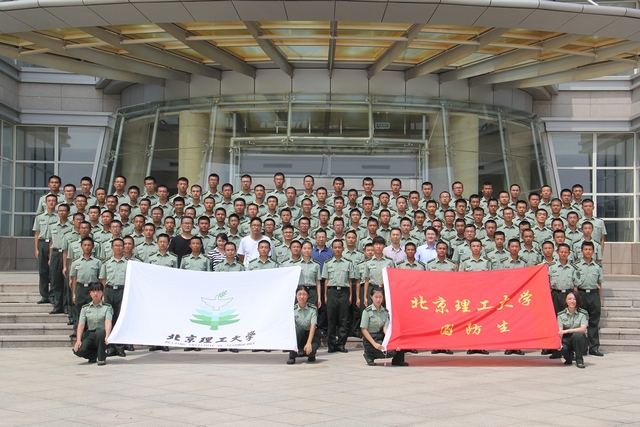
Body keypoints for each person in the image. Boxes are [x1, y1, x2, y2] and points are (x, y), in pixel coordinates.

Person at [322, 239, 356, 353]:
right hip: (331, 292)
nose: (337, 249)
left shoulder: (348, 263)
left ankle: (341, 344)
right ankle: (331, 344)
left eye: (339, 247)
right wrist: (325, 295)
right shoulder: (327, 263)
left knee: (343, 319)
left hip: (344, 292)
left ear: (343, 248)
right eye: (335, 247)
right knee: (331, 319)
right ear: (332, 249)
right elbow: (326, 281)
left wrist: (350, 295)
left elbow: (350, 280)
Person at [360, 286, 407, 366]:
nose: (378, 299)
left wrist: (394, 342)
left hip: (381, 337)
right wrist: (374, 344)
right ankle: (369, 354)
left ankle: (398, 361)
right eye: (376, 297)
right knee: (389, 351)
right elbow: (364, 330)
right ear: (371, 297)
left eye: (380, 297)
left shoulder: (385, 312)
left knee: (398, 346)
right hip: (370, 339)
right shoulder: (367, 311)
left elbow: (385, 329)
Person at [575, 241, 604, 357]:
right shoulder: (576, 265)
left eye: (590, 250)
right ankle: (582, 348)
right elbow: (575, 284)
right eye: (585, 249)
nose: (588, 252)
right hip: (581, 294)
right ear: (581, 251)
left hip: (593, 294)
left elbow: (600, 283)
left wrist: (600, 298)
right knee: (581, 322)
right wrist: (576, 298)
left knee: (594, 322)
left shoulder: (598, 266)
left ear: (593, 251)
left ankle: (594, 347)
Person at [73, 283, 113, 366]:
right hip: (90, 333)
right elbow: (81, 325)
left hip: (102, 333)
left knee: (99, 333)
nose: (96, 294)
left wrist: (107, 335)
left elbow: (108, 321)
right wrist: (78, 340)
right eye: (93, 291)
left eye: (98, 291)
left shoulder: (107, 307)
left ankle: (101, 358)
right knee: (78, 351)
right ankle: (94, 355)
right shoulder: (85, 308)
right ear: (90, 293)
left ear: (102, 293)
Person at [288, 285, 320, 365]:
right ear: (296, 296)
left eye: (304, 294)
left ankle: (310, 354)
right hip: (299, 335)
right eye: (299, 294)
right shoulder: (292, 310)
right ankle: (292, 356)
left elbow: (313, 326)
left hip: (310, 335)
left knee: (310, 352)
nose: (302, 297)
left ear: (308, 296)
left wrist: (309, 343)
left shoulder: (312, 309)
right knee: (298, 330)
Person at [557, 291, 589, 369]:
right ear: (566, 300)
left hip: (579, 339)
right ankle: (568, 358)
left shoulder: (583, 313)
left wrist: (567, 331)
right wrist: (559, 344)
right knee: (563, 348)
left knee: (576, 335)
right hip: (566, 339)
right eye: (569, 299)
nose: (572, 301)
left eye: (574, 299)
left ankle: (579, 360)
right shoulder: (561, 315)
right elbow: (560, 331)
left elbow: (582, 329)